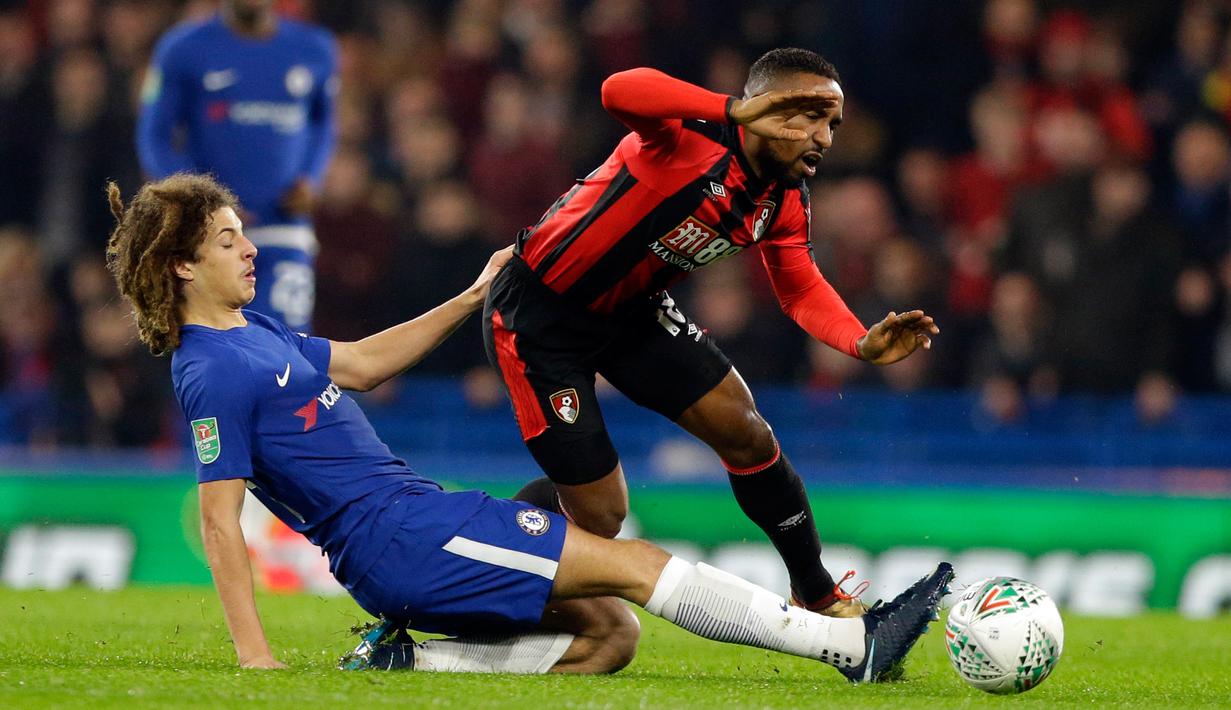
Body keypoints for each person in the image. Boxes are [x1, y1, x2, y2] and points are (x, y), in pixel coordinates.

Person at [104, 172, 952, 680]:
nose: (248, 249)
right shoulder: (209, 371)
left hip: (418, 520)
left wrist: (473, 296)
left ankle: (412, 661)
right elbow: (220, 525)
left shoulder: (254, 334)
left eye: (244, 234)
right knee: (635, 566)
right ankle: (850, 647)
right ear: (183, 265)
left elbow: (361, 363)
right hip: (398, 540)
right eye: (226, 240)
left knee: (608, 639)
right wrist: (254, 658)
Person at [482, 48, 939, 617]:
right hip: (541, 315)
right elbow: (618, 88)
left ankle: (818, 596)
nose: (824, 137)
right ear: (769, 108)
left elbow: (797, 288)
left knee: (745, 430)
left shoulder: (785, 198)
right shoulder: (687, 136)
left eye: (833, 124)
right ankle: (481, 565)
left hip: (631, 314)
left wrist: (857, 341)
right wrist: (733, 108)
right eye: (812, 117)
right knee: (601, 515)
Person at [136, 0, 337, 331]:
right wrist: (205, 205)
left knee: (289, 348)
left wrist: (311, 180)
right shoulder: (182, 48)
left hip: (283, 230)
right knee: (218, 350)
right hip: (210, 236)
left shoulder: (315, 48)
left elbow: (323, 126)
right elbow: (154, 139)